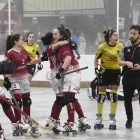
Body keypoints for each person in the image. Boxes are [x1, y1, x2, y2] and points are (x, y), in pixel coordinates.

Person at [3, 34, 48, 134]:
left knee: (27, 101)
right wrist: (5, 79)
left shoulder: (23, 51)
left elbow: (31, 61)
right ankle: (18, 124)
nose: (23, 41)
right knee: (18, 102)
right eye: (21, 40)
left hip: (23, 79)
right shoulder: (9, 53)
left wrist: (42, 59)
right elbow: (4, 67)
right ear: (15, 41)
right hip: (14, 79)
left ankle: (28, 121)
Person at [53, 27, 90, 135]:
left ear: (61, 36)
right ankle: (82, 120)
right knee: (72, 98)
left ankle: (71, 123)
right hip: (73, 73)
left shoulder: (63, 46)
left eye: (55, 34)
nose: (53, 36)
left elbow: (68, 58)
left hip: (72, 73)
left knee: (68, 98)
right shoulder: (63, 45)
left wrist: (60, 70)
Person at [41, 32, 69, 134]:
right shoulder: (51, 48)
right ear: (52, 40)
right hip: (55, 77)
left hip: (56, 77)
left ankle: (51, 119)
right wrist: (68, 41)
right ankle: (55, 122)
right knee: (61, 100)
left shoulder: (52, 48)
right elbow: (57, 44)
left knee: (59, 100)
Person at [94, 29, 122, 130]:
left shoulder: (120, 46)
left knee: (113, 95)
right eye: (115, 35)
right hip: (104, 72)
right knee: (101, 96)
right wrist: (96, 68)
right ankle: (99, 117)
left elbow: (124, 58)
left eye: (117, 35)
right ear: (109, 38)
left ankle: (112, 118)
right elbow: (96, 58)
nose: (117, 37)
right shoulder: (102, 47)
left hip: (115, 72)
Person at [118, 25, 140, 129]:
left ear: (139, 34)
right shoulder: (125, 45)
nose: (132, 35)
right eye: (131, 33)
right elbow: (119, 62)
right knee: (127, 101)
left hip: (139, 77)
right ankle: (129, 119)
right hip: (127, 77)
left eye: (134, 34)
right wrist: (126, 63)